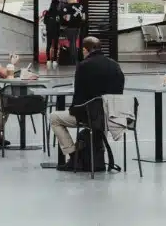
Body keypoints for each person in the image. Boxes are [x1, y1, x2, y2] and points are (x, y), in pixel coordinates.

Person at [51, 36, 126, 169]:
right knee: (99, 121)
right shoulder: (115, 65)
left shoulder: (84, 66)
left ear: (85, 50)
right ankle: (96, 158)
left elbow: (79, 95)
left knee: (55, 118)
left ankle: (74, 157)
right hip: (113, 116)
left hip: (90, 115)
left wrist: (73, 111)